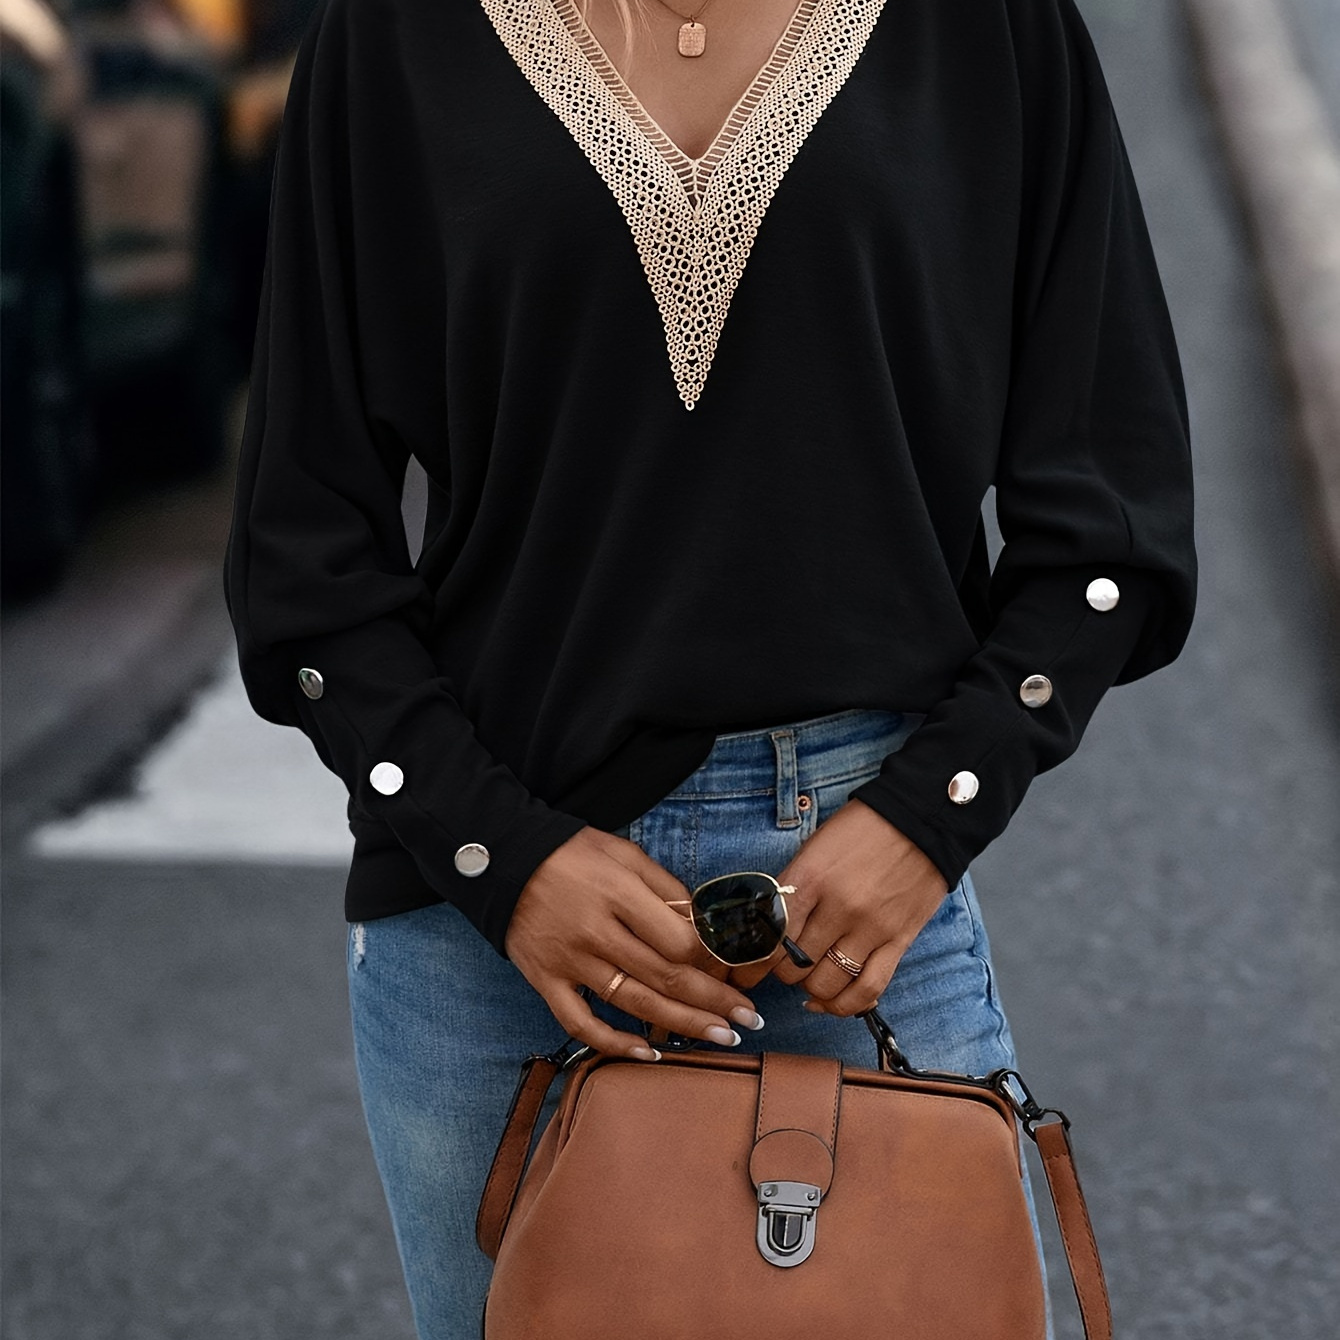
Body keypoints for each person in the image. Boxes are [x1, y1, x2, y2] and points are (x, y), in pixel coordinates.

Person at [223, 0, 1197, 1334]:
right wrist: (497, 858)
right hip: (491, 932)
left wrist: (930, 814)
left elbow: (1110, 514)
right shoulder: (394, 37)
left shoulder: (990, 32)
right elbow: (305, 546)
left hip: (865, 922)